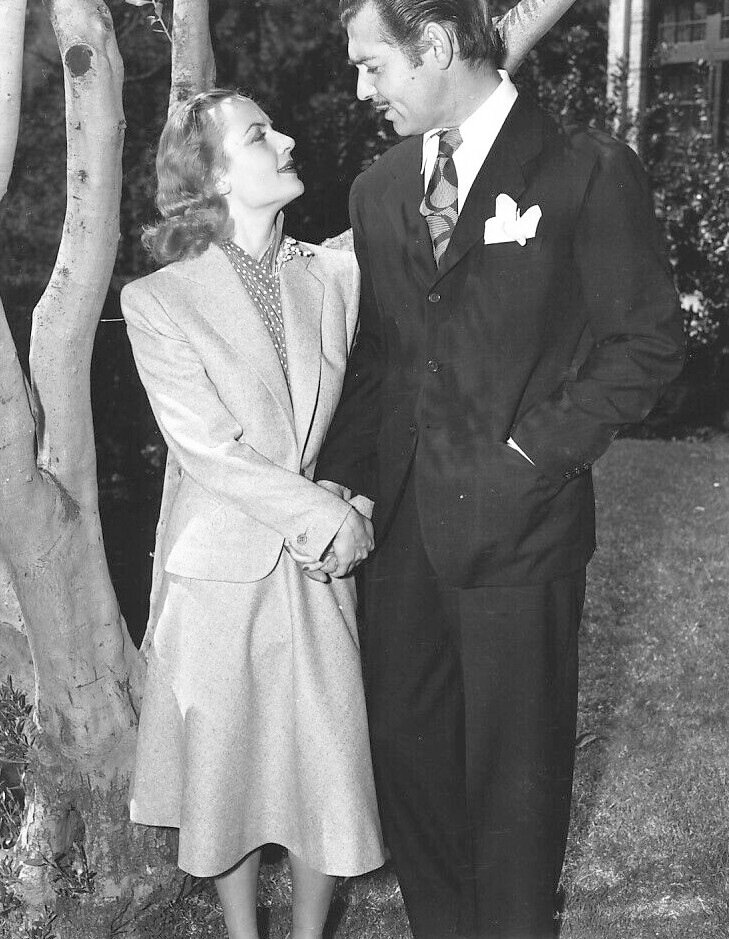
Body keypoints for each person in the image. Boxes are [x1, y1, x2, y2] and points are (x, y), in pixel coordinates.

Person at [122, 5, 587, 937]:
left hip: (321, 568)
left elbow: (442, 206)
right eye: (260, 135)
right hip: (223, 569)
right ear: (212, 177)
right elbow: (207, 445)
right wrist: (331, 512)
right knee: (226, 779)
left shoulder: (333, 270)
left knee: (325, 767)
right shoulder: (156, 300)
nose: (287, 139)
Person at [312, 2, 686, 938]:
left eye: (372, 65)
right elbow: (377, 359)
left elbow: (646, 341)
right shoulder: (378, 188)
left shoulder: (584, 169)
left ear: (436, 46)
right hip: (404, 536)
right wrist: (345, 479)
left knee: (516, 779)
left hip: (523, 530)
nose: (361, 89)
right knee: (409, 759)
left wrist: (530, 456)